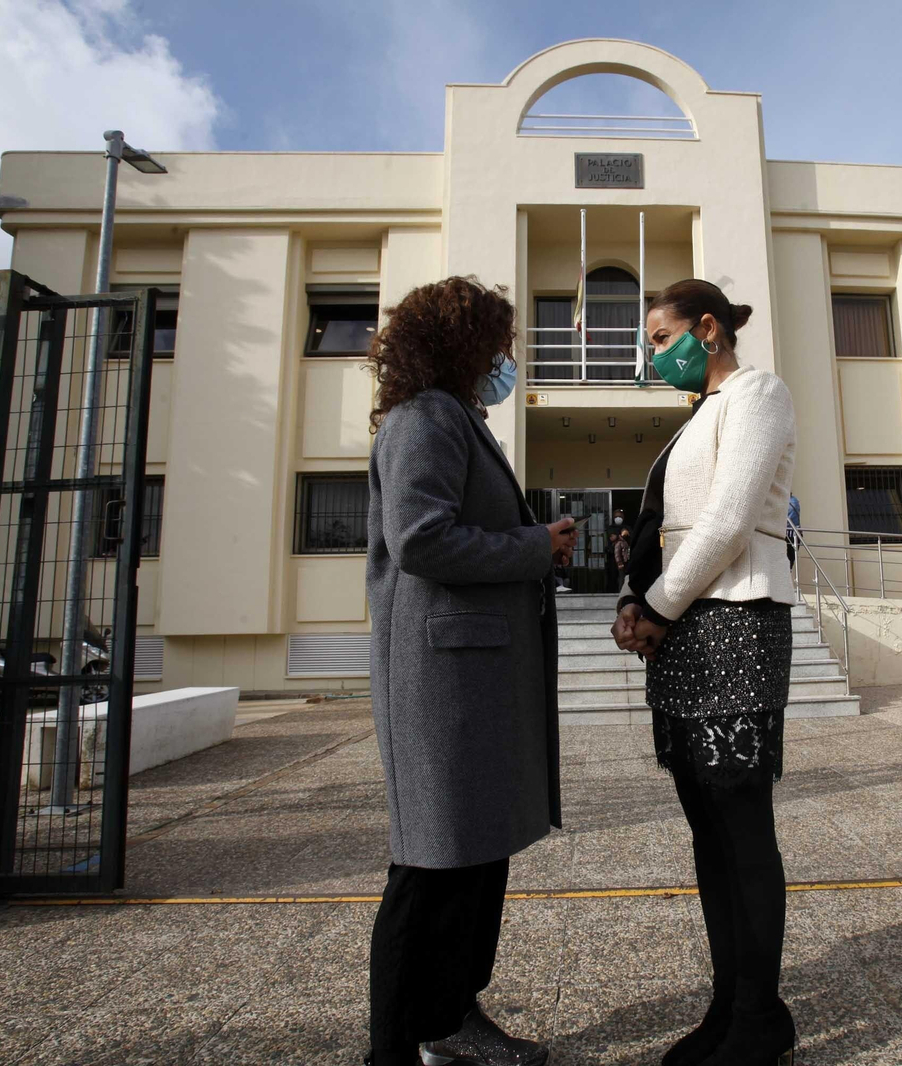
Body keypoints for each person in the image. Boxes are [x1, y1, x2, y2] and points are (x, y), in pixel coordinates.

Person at [363, 275, 577, 1066]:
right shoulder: (425, 420)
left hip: (473, 681)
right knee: (431, 869)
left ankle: (452, 1019)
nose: (507, 358)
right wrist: (536, 547)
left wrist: (533, 548)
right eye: (498, 343)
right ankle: (395, 1048)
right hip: (442, 686)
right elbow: (420, 538)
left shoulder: (456, 418)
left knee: (475, 862)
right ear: (461, 344)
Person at [612, 279, 798, 1066]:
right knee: (707, 832)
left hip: (735, 625)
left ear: (709, 328)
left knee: (741, 826)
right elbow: (661, 527)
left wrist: (653, 606)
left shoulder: (759, 391)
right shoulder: (696, 418)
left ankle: (761, 1020)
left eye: (661, 338)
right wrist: (634, 599)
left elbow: (726, 520)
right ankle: (728, 1007)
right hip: (689, 630)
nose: (655, 356)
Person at [785, 493, 801, 571]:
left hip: (789, 535)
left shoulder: (789, 502)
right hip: (796, 535)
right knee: (789, 564)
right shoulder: (795, 501)